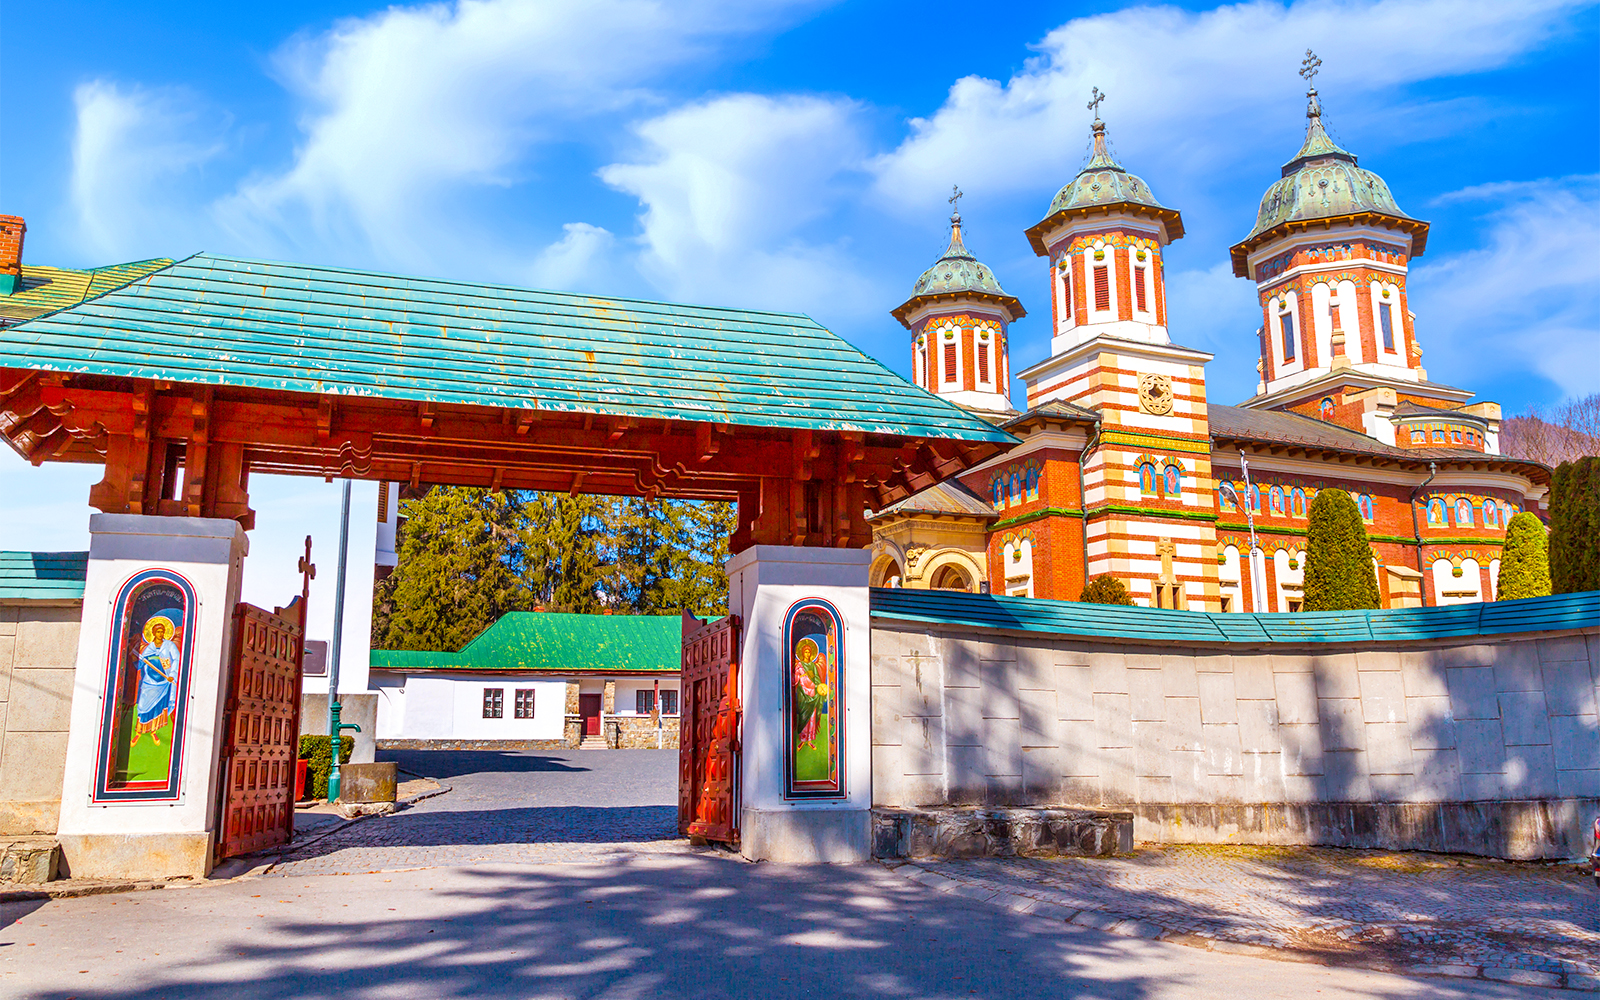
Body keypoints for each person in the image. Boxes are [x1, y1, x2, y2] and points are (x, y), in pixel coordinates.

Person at [132, 614, 180, 747]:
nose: (160, 633)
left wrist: (173, 674)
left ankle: (154, 731)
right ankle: (139, 733)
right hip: (149, 682)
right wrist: (138, 659)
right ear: (153, 633)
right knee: (142, 706)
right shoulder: (150, 647)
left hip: (163, 681)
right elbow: (141, 663)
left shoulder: (169, 645)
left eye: (162, 631)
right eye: (157, 631)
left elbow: (176, 659)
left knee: (159, 707)